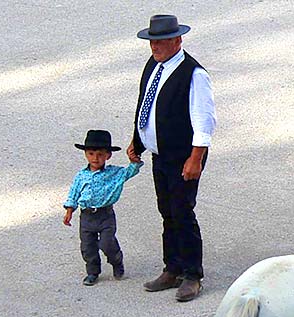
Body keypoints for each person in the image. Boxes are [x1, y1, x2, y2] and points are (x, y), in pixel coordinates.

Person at [128, 14, 216, 302]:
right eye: (152, 41)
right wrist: (138, 141)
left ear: (178, 40)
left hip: (182, 156)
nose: (155, 47)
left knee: (182, 211)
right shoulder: (153, 66)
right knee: (166, 210)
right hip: (159, 154)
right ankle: (172, 267)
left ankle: (192, 274)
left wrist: (195, 159)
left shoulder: (194, 74)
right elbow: (146, 104)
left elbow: (204, 122)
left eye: (162, 41)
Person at [63, 129, 143, 286]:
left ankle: (116, 260)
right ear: (86, 154)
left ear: (108, 155)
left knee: (107, 243)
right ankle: (92, 272)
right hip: (86, 216)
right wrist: (69, 210)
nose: (95, 158)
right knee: (88, 247)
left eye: (100, 154)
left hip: (105, 215)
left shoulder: (114, 173)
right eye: (91, 153)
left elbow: (130, 171)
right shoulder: (81, 176)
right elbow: (74, 193)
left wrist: (134, 160)